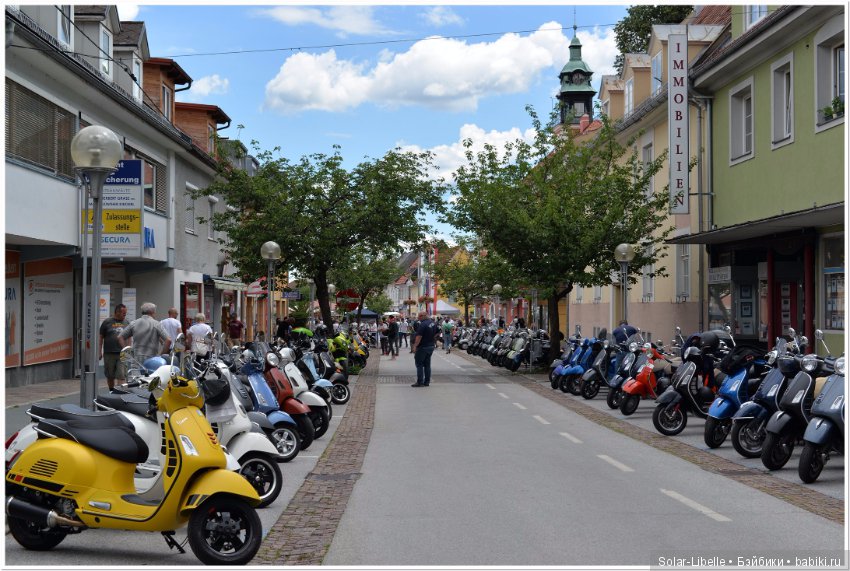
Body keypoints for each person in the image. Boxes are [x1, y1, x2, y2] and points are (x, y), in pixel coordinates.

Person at [99, 303, 128, 390]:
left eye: (125, 313)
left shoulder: (127, 322)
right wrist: (99, 351)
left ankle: (120, 394)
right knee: (110, 376)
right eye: (123, 313)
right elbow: (100, 338)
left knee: (121, 375)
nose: (125, 315)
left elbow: (130, 337)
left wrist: (129, 349)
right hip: (109, 353)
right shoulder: (107, 322)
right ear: (117, 312)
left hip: (122, 353)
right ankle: (111, 391)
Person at [410, 311, 437, 387]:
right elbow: (437, 332)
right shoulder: (433, 323)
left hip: (423, 347)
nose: (418, 318)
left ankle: (420, 382)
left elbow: (419, 337)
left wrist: (415, 346)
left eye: (419, 316)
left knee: (419, 364)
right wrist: (432, 338)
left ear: (423, 316)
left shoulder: (422, 325)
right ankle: (427, 381)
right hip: (430, 346)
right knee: (427, 365)